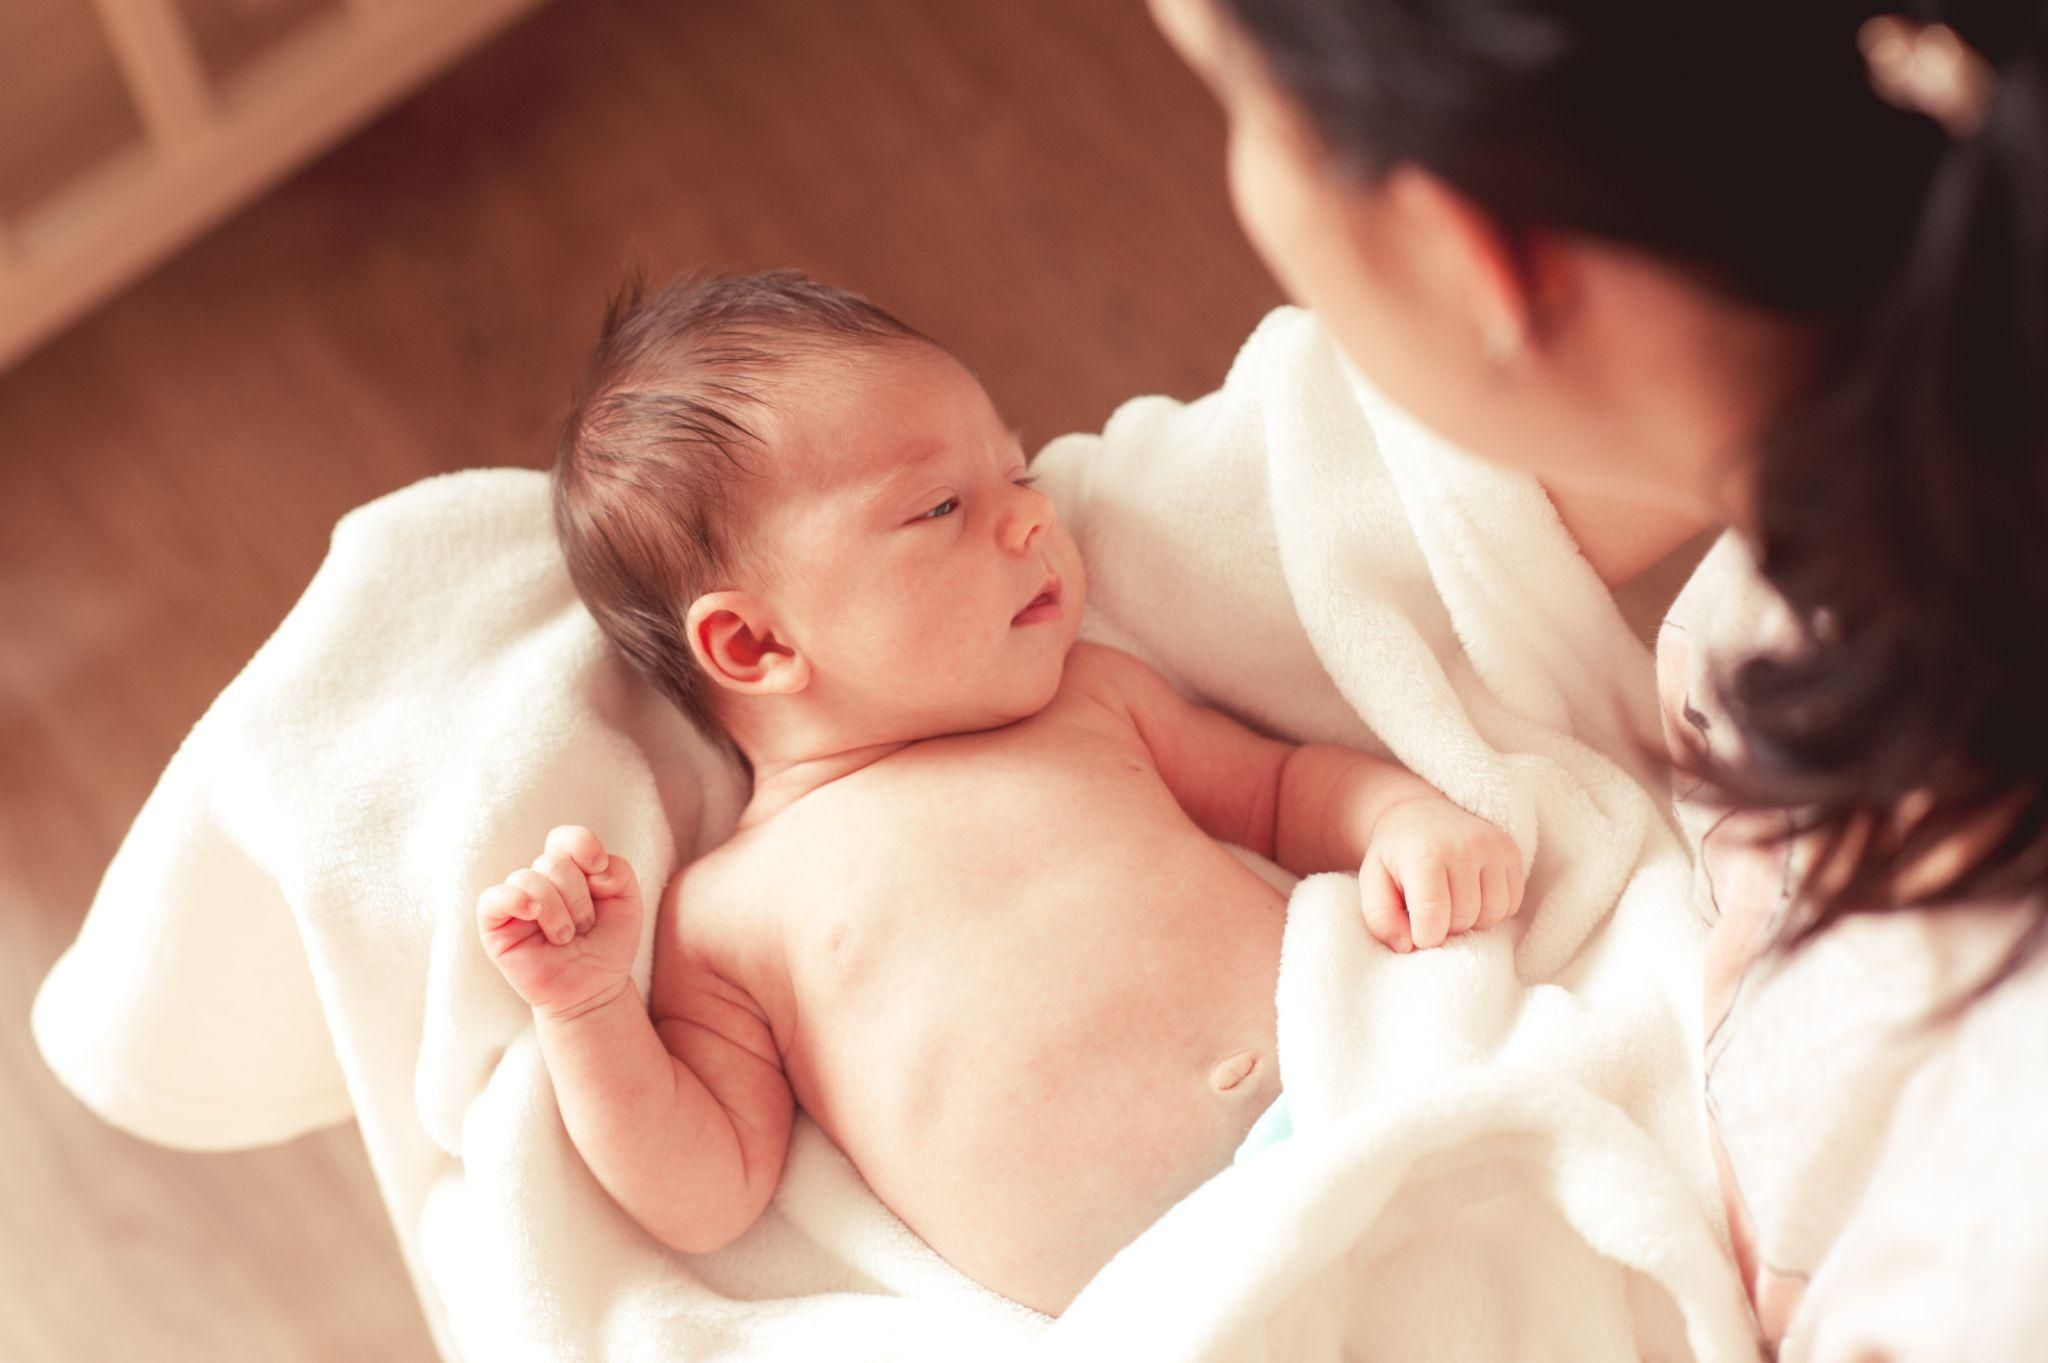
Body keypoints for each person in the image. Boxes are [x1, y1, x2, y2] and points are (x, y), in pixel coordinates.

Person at [1145, 0, 2048, 1354]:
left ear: (1483, 254)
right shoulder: (1931, 308)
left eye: (1234, 106)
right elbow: (1314, 524)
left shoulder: (1984, 1212)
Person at [472, 270, 1527, 1316]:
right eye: (941, 505)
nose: (1028, 521)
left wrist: (1396, 819)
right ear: (753, 641)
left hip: (1366, 1098)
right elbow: (708, 1193)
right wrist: (590, 1007)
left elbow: (1280, 787)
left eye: (1019, 478)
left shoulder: (1088, 706)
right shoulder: (727, 914)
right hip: (1165, 1305)